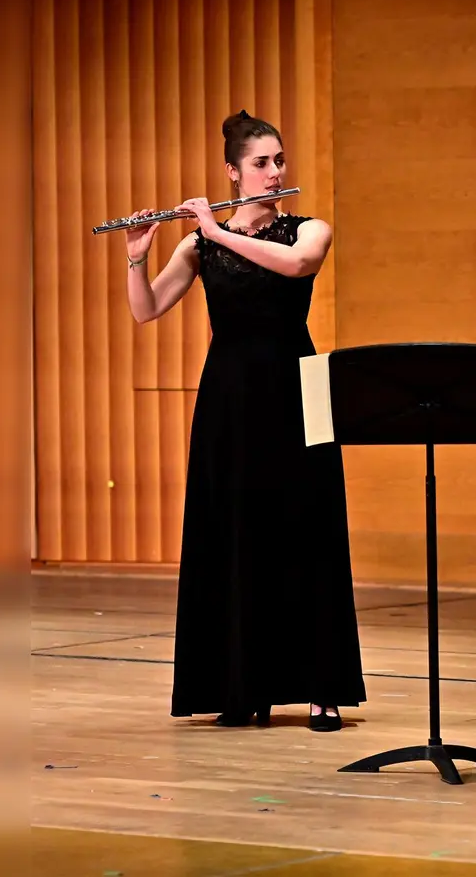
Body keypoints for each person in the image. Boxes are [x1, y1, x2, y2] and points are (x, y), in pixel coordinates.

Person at [118, 110, 365, 732]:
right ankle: (241, 684)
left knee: (305, 532)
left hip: (293, 389)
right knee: (234, 532)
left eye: (279, 160)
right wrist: (135, 257)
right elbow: (147, 311)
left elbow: (296, 268)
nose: (275, 171)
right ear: (233, 171)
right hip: (228, 398)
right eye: (261, 163)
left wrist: (215, 231)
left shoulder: (308, 229)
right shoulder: (198, 244)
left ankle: (320, 688)